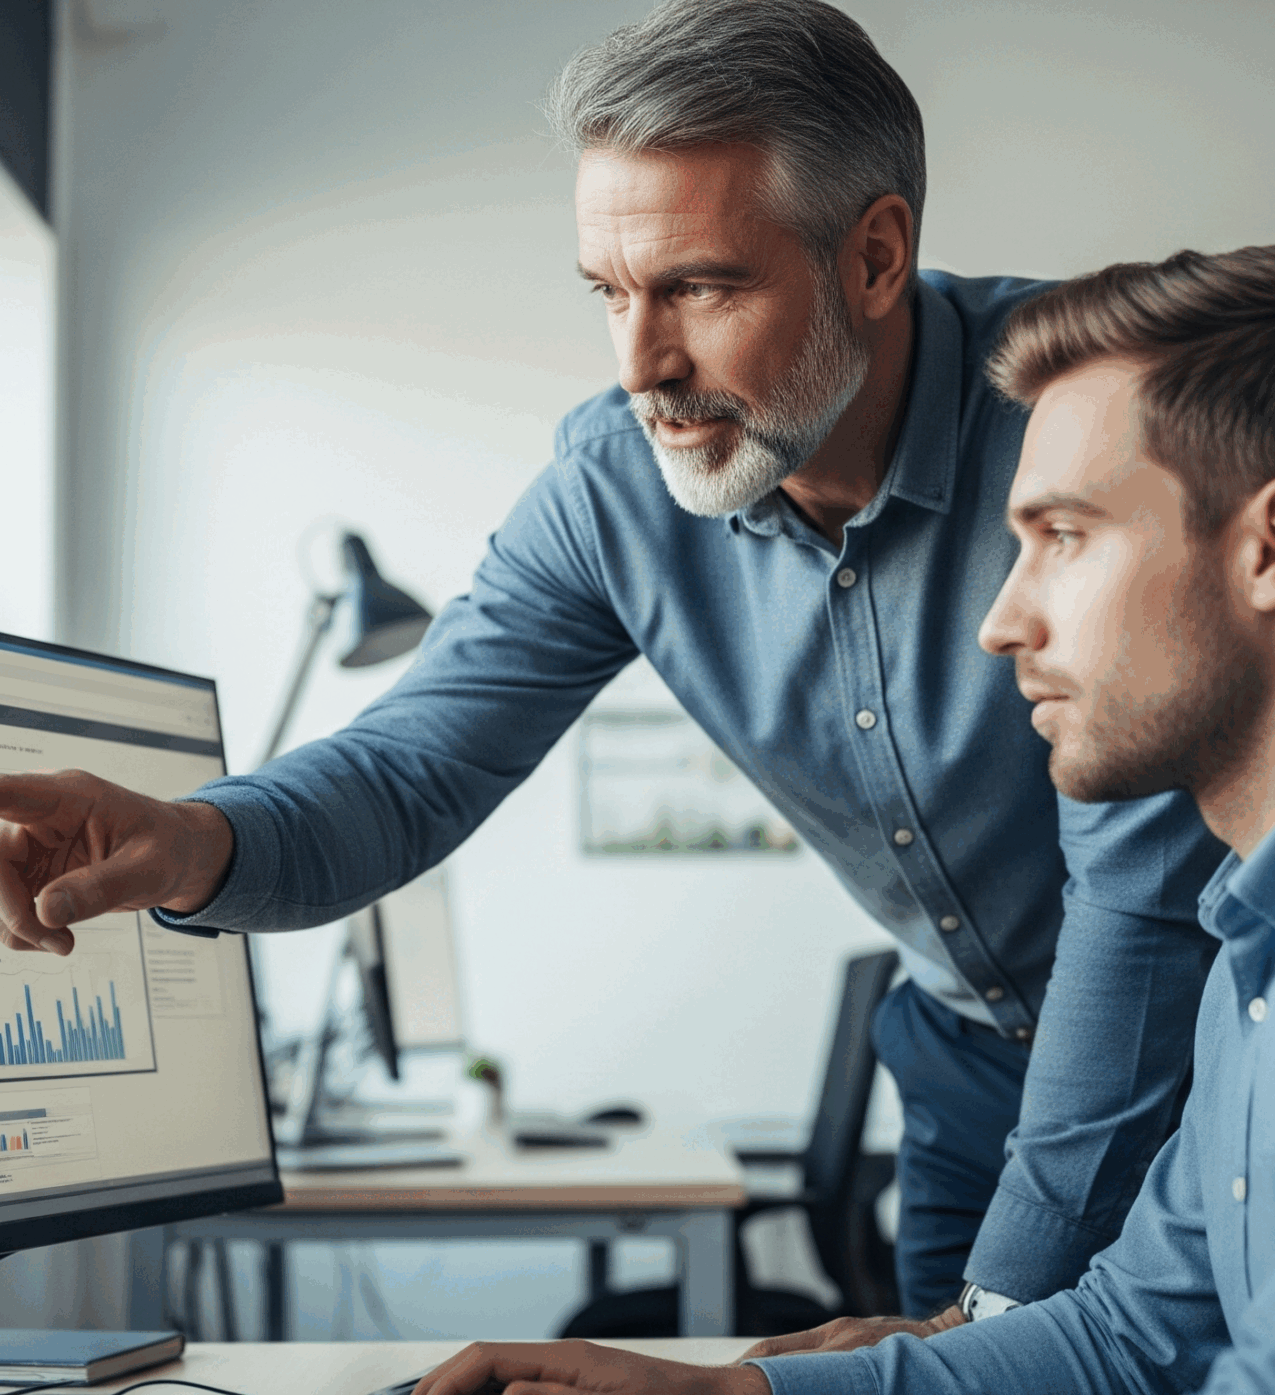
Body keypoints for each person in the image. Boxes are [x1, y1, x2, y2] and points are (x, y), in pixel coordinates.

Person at [0, 0, 1221, 1329]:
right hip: (961, 1071)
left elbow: (1136, 903)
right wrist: (190, 839)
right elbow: (413, 765)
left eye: (698, 287)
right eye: (608, 293)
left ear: (872, 256)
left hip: (1208, 1050)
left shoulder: (1081, 425)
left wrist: (997, 1316)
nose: (641, 364)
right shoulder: (615, 483)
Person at [405, 241, 1275, 1393]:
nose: (1000, 622)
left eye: (1064, 536)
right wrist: (727, 1393)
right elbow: (1121, 1339)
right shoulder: (1244, 981)